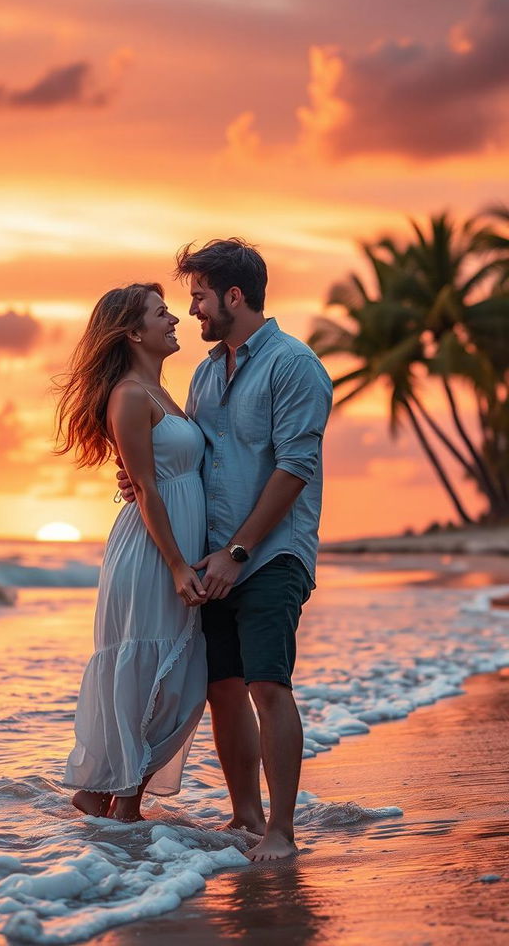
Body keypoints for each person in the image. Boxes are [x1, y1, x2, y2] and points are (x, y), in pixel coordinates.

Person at [118, 240, 333, 860]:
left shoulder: (295, 366)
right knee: (223, 688)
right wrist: (136, 475)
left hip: (269, 554)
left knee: (269, 685)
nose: (192, 312)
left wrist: (238, 552)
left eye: (200, 297)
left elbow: (294, 468)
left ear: (234, 296)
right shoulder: (209, 371)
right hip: (214, 558)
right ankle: (245, 815)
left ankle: (281, 831)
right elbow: (187, 450)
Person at [55, 282, 208, 822]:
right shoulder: (129, 394)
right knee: (155, 672)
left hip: (176, 545)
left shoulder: (166, 393)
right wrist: (176, 565)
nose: (175, 320)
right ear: (132, 331)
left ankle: (107, 800)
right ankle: (123, 806)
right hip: (151, 554)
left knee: (181, 677)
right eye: (161, 313)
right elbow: (143, 486)